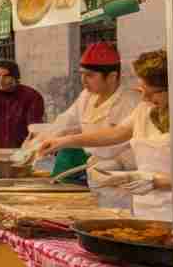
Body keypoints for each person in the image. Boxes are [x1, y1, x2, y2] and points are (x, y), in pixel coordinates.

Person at [35, 49, 173, 220]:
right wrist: (64, 141)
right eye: (142, 91)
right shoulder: (144, 111)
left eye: (152, 93)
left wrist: (154, 182)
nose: (144, 98)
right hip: (143, 211)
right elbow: (116, 134)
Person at [32, 42, 135, 186]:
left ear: (112, 76)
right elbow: (65, 122)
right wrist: (38, 141)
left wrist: (117, 163)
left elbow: (120, 136)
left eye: (90, 75)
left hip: (124, 179)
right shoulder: (86, 97)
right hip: (95, 173)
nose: (83, 81)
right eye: (81, 75)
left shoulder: (130, 102)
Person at [0, 59, 44, 149]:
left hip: (23, 150)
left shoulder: (31, 96)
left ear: (15, 77)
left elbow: (34, 128)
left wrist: (27, 148)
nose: (1, 80)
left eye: (6, 76)